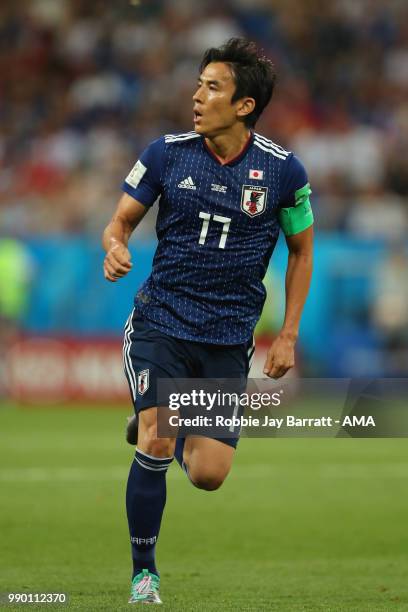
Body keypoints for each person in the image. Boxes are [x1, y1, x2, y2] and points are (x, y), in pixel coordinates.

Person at [102, 38, 313, 605]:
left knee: (209, 475)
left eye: (212, 87)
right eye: (199, 83)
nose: (197, 96)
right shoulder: (166, 153)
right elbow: (119, 221)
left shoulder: (284, 173)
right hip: (161, 322)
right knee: (158, 434)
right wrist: (114, 245)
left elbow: (301, 251)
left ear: (244, 105)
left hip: (226, 339)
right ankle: (144, 574)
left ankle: (152, 426)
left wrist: (288, 331)